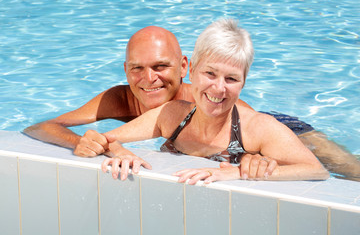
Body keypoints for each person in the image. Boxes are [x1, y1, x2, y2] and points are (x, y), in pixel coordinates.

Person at [23, 24, 360, 181]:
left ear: (185, 68)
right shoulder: (120, 98)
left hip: (279, 127)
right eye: (137, 69)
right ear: (126, 71)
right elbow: (40, 127)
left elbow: (244, 126)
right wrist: (89, 143)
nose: (149, 79)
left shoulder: (199, 97)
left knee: (348, 169)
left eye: (161, 67)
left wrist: (257, 157)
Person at [97, 19, 329, 184]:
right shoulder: (172, 115)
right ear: (191, 71)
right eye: (209, 74)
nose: (219, 88)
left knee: (350, 169)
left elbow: (317, 170)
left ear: (243, 83)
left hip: (293, 128)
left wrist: (239, 172)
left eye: (231, 78)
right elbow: (101, 139)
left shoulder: (259, 128)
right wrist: (118, 151)